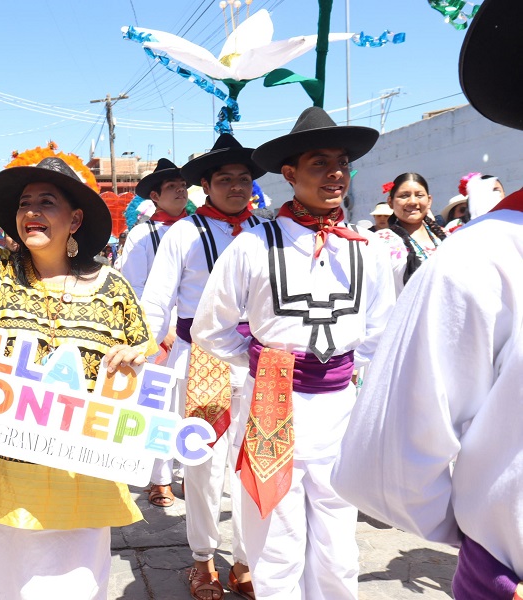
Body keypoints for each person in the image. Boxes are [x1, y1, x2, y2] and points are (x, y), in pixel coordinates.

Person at [0, 115, 155, 599]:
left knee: (75, 588)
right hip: (5, 473)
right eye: (24, 204)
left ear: (75, 220)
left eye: (47, 202)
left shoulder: (113, 288)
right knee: (10, 587)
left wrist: (134, 360)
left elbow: (144, 353)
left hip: (83, 473)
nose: (31, 212)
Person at [332, 1, 523, 597]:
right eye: (406, 195)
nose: (415, 203)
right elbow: (386, 462)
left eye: (422, 196)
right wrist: (488, 538)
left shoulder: (456, 245)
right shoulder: (473, 256)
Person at [192, 106, 395, 600]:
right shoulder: (253, 245)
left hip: (340, 408)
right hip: (271, 404)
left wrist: (349, 375)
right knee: (273, 541)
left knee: (338, 539)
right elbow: (210, 328)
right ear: (289, 174)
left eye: (342, 162)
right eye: (319, 163)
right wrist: (263, 364)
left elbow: (379, 330)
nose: (335, 174)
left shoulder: (366, 248)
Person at [138, 134, 267, 599]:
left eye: (244, 178)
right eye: (225, 179)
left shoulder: (266, 231)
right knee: (204, 465)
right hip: (203, 362)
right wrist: (143, 348)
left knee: (256, 461)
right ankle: (203, 560)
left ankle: (247, 561)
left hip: (260, 360)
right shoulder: (184, 233)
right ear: (206, 186)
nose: (236, 187)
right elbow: (156, 300)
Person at [119, 158, 189, 298]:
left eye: (183, 184)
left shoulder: (199, 228)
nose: (181, 189)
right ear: (155, 196)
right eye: (171, 186)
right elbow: (134, 286)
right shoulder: (141, 234)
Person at [376, 173, 448, 293]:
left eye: (419, 195)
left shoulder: (447, 236)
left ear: (429, 200)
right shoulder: (379, 241)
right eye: (404, 196)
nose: (413, 201)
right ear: (390, 202)